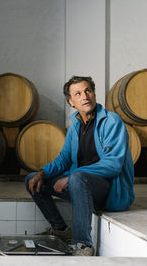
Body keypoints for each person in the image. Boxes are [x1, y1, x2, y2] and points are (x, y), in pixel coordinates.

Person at [25, 76, 135, 256]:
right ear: (71, 101)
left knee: (77, 177)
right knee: (31, 179)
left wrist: (72, 177)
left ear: (94, 93)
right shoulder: (76, 124)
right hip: (79, 185)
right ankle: (61, 230)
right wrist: (42, 173)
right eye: (78, 93)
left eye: (88, 91)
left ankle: (83, 245)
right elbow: (64, 159)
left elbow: (113, 164)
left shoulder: (111, 121)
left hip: (108, 190)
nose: (85, 96)